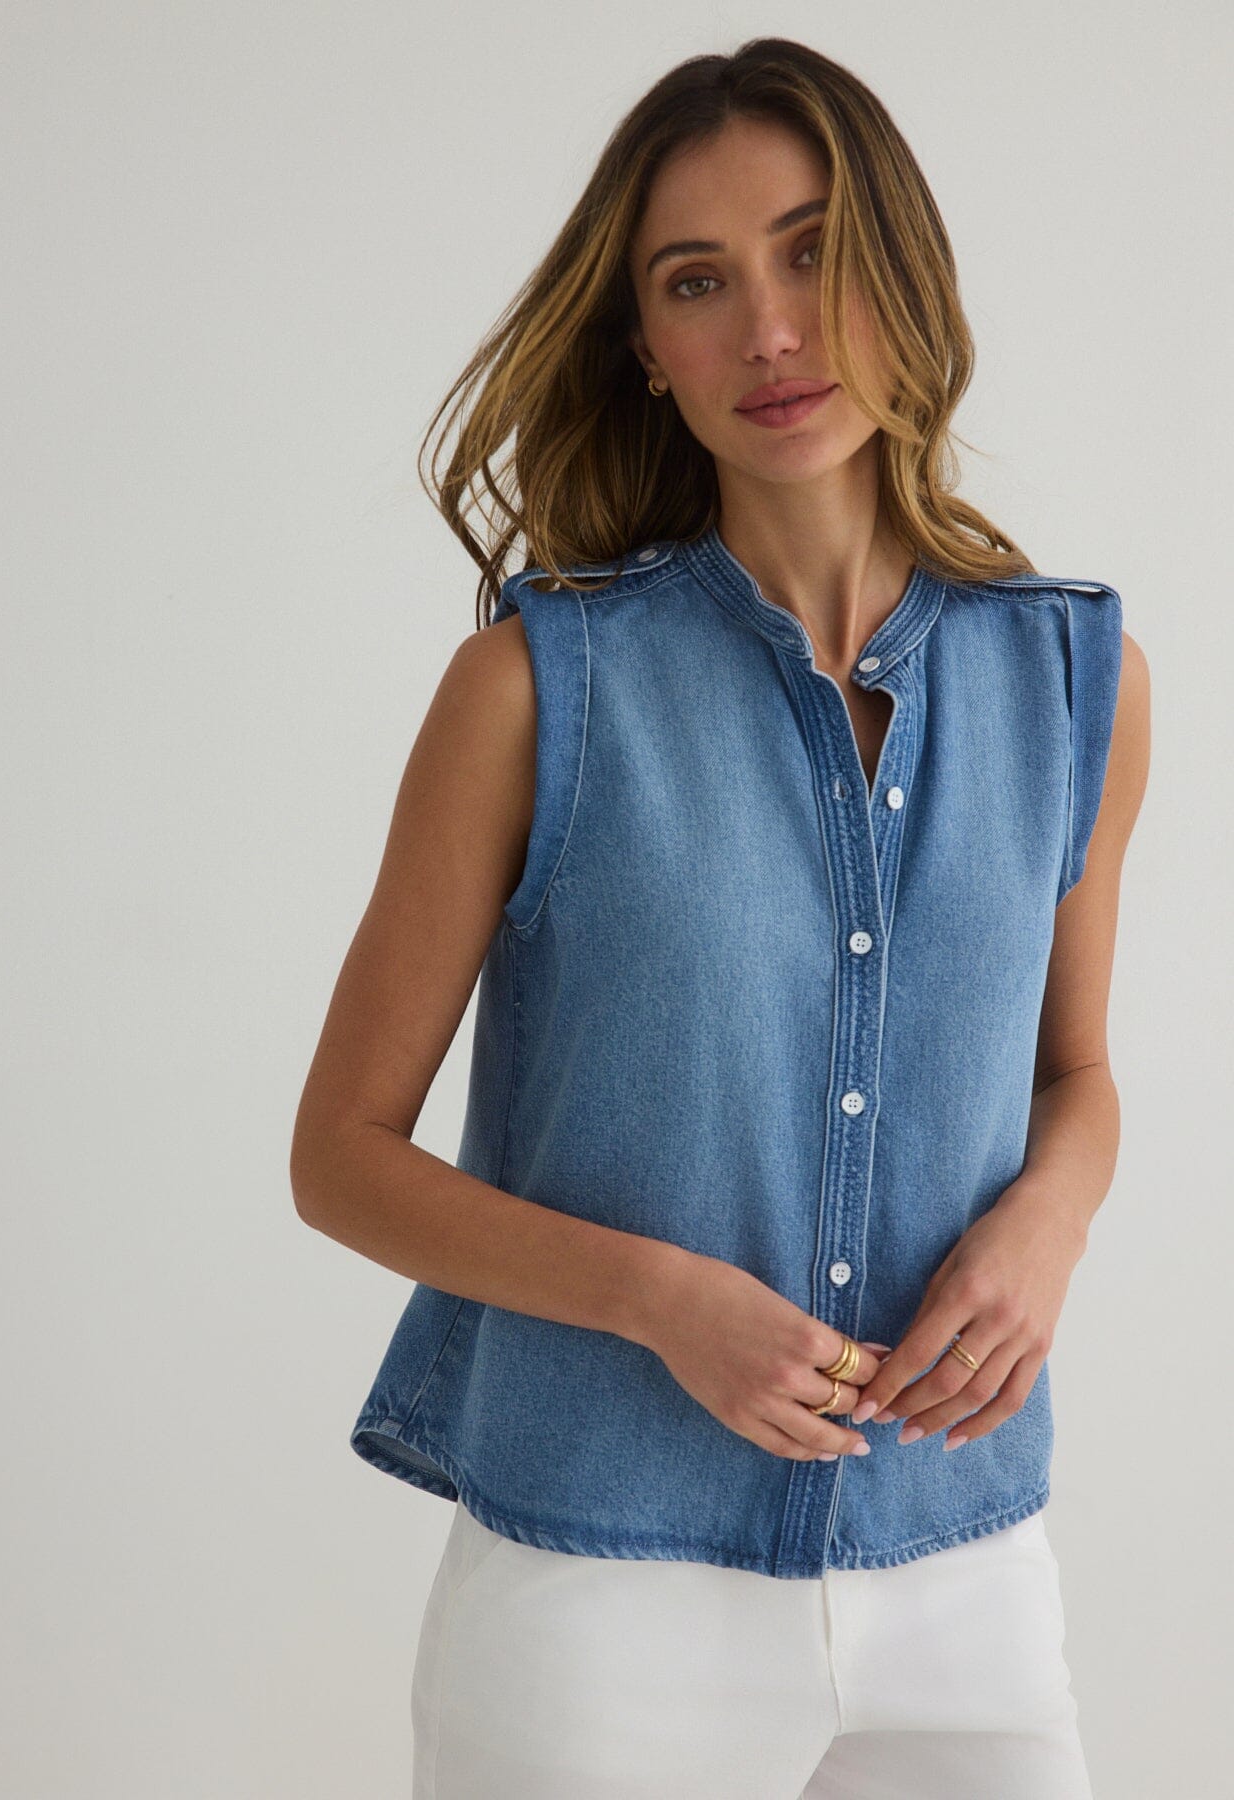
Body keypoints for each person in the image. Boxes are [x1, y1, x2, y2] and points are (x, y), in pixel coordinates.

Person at [290, 35, 1150, 1800]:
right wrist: (664, 1301)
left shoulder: (1080, 682)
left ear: (904, 269)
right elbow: (340, 1158)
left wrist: (1048, 1225)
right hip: (603, 1597)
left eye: (815, 251)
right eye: (699, 281)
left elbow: (1077, 1075)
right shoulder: (536, 692)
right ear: (646, 348)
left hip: (967, 1573)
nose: (770, 328)